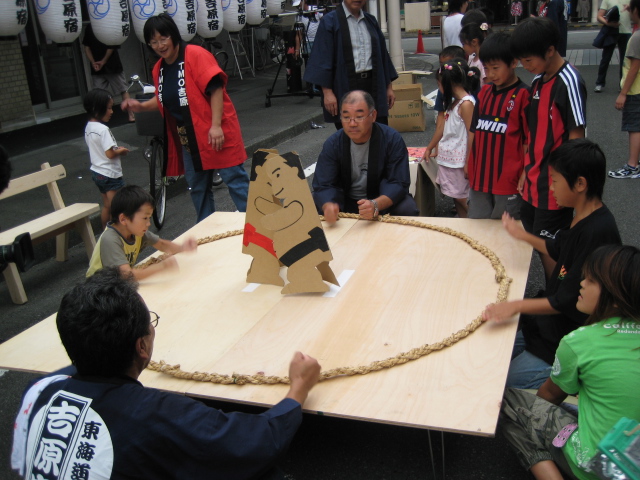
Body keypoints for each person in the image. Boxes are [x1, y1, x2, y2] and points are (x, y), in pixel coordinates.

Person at [11, 267, 321, 480]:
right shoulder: (157, 415)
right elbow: (256, 442)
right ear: (142, 347)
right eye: (151, 323)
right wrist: (298, 389)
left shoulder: (39, 388)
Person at [482, 139, 622, 390]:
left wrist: (514, 305)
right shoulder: (581, 215)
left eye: (555, 180)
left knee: (501, 384)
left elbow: (564, 302)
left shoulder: (597, 232)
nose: (551, 187)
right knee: (490, 351)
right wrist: (522, 234)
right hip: (548, 327)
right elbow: (557, 248)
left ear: (580, 184)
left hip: (565, 337)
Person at [500, 244, 640, 480]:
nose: (582, 283)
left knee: (509, 401)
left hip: (602, 466)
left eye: (592, 280)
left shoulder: (580, 341)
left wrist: (533, 417)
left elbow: (551, 395)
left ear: (616, 296)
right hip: (634, 457)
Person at [121, 13, 249, 224]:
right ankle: (208, 232)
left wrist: (216, 126)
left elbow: (216, 88)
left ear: (173, 35)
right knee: (197, 188)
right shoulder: (158, 69)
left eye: (163, 38)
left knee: (235, 181)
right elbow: (166, 98)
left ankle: (256, 233)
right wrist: (141, 106)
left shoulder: (195, 54)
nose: (159, 45)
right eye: (153, 41)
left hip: (214, 131)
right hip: (189, 137)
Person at [510, 17, 586, 280]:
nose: (525, 66)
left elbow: (578, 139)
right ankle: (552, 294)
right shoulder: (538, 82)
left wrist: (574, 190)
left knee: (552, 249)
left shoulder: (569, 81)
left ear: (551, 50)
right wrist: (524, 171)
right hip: (532, 180)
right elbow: (533, 134)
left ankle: (559, 302)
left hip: (555, 186)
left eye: (529, 60)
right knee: (537, 242)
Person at [312, 90, 418, 223]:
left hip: (379, 199)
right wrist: (328, 204)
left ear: (373, 116)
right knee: (314, 205)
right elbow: (324, 183)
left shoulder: (391, 139)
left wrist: (375, 204)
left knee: (407, 208)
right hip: (345, 201)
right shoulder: (333, 143)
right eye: (346, 117)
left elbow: (398, 182)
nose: (352, 123)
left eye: (359, 116)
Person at [303, 0, 398, 129]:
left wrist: (388, 87)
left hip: (373, 83)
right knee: (350, 131)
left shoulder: (370, 20)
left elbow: (382, 56)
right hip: (345, 84)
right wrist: (327, 92)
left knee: (378, 130)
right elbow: (322, 57)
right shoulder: (330, 21)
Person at [467, 32, 528, 220]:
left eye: (495, 68)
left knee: (505, 233)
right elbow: (474, 130)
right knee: (476, 227)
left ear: (513, 63)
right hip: (479, 176)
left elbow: (528, 140)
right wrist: (468, 161)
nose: (490, 74)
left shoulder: (524, 95)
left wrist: (525, 172)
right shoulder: (484, 92)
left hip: (508, 180)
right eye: (486, 68)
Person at [86, 185, 197, 279]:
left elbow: (161, 244)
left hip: (115, 286)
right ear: (123, 219)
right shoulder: (110, 239)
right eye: (145, 218)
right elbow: (127, 276)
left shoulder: (135, 231)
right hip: (97, 293)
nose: (148, 223)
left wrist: (182, 247)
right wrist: (162, 267)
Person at [426, 59, 479, 218]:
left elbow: (472, 133)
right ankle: (463, 226)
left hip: (459, 161)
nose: (439, 89)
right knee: (456, 197)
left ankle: (478, 228)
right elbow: (442, 128)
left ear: (448, 84)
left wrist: (469, 161)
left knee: (463, 199)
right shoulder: (453, 103)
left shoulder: (466, 104)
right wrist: (430, 147)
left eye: (439, 84)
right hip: (450, 159)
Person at [84, 89, 129, 230]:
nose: (112, 111)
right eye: (109, 108)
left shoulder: (89, 127)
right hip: (109, 174)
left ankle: (105, 232)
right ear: (97, 108)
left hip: (97, 172)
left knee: (107, 205)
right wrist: (121, 151)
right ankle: (116, 233)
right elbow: (110, 154)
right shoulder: (103, 130)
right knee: (116, 207)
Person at [82, 23, 136, 123]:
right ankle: (130, 115)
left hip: (110, 64)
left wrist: (97, 62)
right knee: (115, 91)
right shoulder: (92, 27)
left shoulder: (103, 24)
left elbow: (89, 48)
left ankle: (131, 115)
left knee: (122, 90)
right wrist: (94, 62)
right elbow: (87, 48)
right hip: (101, 65)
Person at [611, 0, 640, 178]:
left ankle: (632, 166)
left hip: (635, 90)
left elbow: (634, 68)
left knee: (634, 127)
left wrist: (622, 94)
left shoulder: (637, 37)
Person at [425, 46, 466, 162]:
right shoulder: (442, 92)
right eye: (441, 64)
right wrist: (436, 147)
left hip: (461, 154)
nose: (444, 68)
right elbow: (440, 121)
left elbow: (471, 131)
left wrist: (469, 159)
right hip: (448, 151)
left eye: (447, 64)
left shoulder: (467, 100)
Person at [595, 0, 631, 93]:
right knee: (606, 58)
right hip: (611, 32)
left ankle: (622, 84)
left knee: (625, 61)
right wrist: (608, 23)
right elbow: (599, 16)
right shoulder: (607, 0)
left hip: (626, 32)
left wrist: (630, 8)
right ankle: (599, 83)